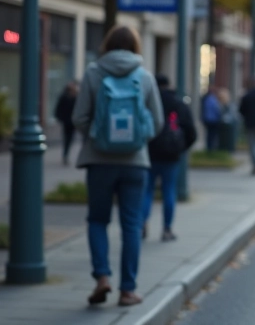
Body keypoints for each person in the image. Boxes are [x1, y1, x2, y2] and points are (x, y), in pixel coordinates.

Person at [72, 25, 163, 308]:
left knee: (98, 220)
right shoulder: (144, 76)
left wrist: (97, 136)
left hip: (99, 161)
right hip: (135, 163)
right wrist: (136, 139)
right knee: (132, 226)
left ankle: (101, 278)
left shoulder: (93, 73)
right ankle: (127, 291)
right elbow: (157, 121)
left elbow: (79, 117)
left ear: (107, 45)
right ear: (136, 46)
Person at [142, 76, 197, 242]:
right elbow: (191, 132)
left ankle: (142, 224)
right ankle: (167, 229)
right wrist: (181, 148)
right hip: (171, 155)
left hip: (149, 153)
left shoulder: (147, 103)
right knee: (169, 191)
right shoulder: (178, 103)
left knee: (147, 191)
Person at [54, 81, 79, 165]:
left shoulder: (76, 97)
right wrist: (60, 118)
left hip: (72, 122)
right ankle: (65, 154)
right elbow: (59, 109)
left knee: (70, 139)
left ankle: (66, 154)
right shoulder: (64, 97)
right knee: (67, 138)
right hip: (66, 121)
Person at [201, 87, 224, 152]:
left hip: (207, 119)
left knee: (209, 135)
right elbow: (217, 110)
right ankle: (211, 149)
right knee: (212, 135)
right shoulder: (213, 100)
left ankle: (209, 148)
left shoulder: (206, 99)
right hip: (213, 120)